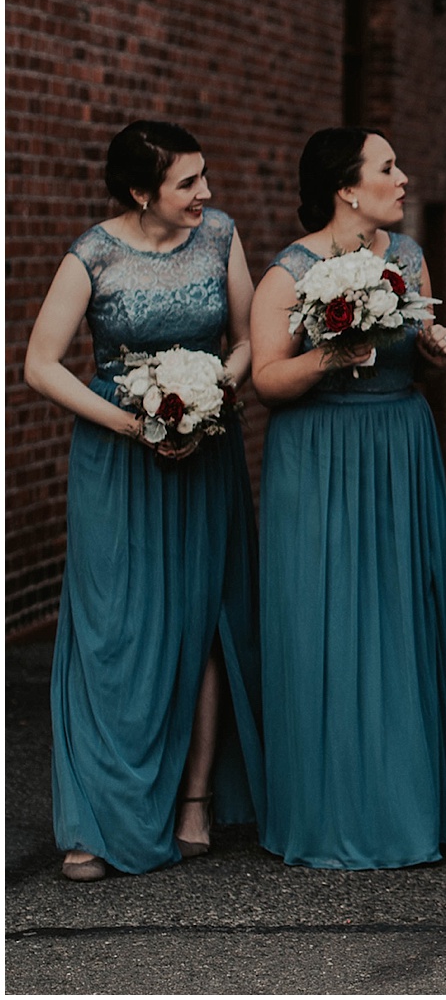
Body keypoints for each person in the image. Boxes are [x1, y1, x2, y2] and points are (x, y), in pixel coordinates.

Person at [24, 121, 264, 881]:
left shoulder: (220, 236)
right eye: (188, 182)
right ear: (140, 192)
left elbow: (251, 336)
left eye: (204, 177)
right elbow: (41, 364)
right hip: (116, 454)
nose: (207, 193)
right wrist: (136, 422)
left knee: (202, 616)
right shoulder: (92, 253)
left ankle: (193, 798)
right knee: (112, 628)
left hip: (204, 448)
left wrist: (209, 394)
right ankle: (99, 814)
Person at [250, 127, 446, 869]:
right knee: (323, 619)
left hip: (398, 444)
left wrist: (437, 348)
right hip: (317, 456)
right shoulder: (289, 272)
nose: (403, 178)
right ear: (347, 187)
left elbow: (423, 344)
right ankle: (330, 807)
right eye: (387, 167)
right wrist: (330, 353)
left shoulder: (406, 258)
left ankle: (405, 807)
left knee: (400, 617)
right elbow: (267, 382)